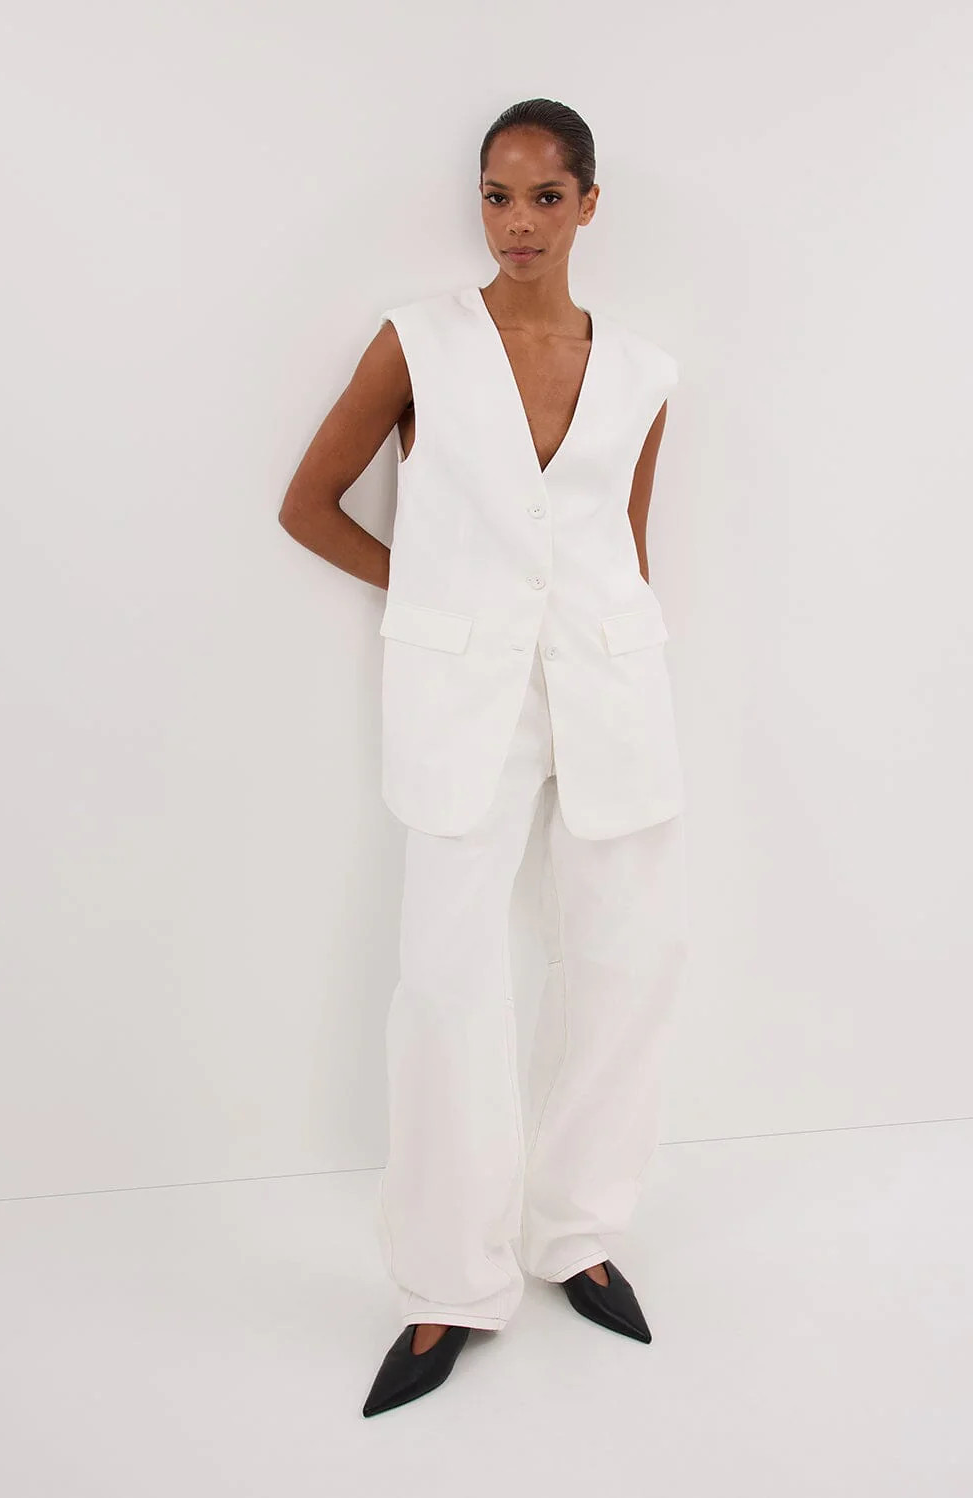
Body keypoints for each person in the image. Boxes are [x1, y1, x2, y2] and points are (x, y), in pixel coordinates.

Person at [278, 97, 690, 1419]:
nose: (517, 222)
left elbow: (624, 541)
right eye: (498, 196)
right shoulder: (418, 342)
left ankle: (578, 1232)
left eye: (545, 196)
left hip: (613, 686)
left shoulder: (643, 371)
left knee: (624, 966)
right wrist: (435, 597)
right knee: (449, 983)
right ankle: (451, 1282)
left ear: (588, 205)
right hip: (465, 697)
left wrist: (610, 640)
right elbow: (307, 505)